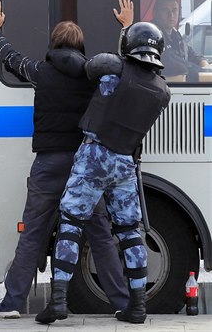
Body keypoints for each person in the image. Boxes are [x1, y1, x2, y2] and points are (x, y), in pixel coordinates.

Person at [0, 0, 132, 319]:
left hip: (48, 165)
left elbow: (11, 59)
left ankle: (11, 303)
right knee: (99, 233)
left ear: (53, 44)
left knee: (34, 232)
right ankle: (123, 302)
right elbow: (124, 66)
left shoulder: (41, 71)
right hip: (84, 167)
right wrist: (126, 29)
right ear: (81, 46)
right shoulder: (92, 74)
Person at [35, 22, 171, 325]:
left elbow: (87, 67)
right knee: (128, 232)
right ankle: (136, 306)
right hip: (124, 163)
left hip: (94, 156)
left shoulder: (113, 65)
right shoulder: (163, 91)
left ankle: (57, 303)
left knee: (70, 225)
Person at [152, 0, 209, 81]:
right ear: (155, 13)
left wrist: (203, 63)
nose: (171, 15)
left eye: (174, 10)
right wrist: (199, 70)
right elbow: (171, 62)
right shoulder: (152, 34)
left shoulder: (175, 35)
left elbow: (190, 54)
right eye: (165, 10)